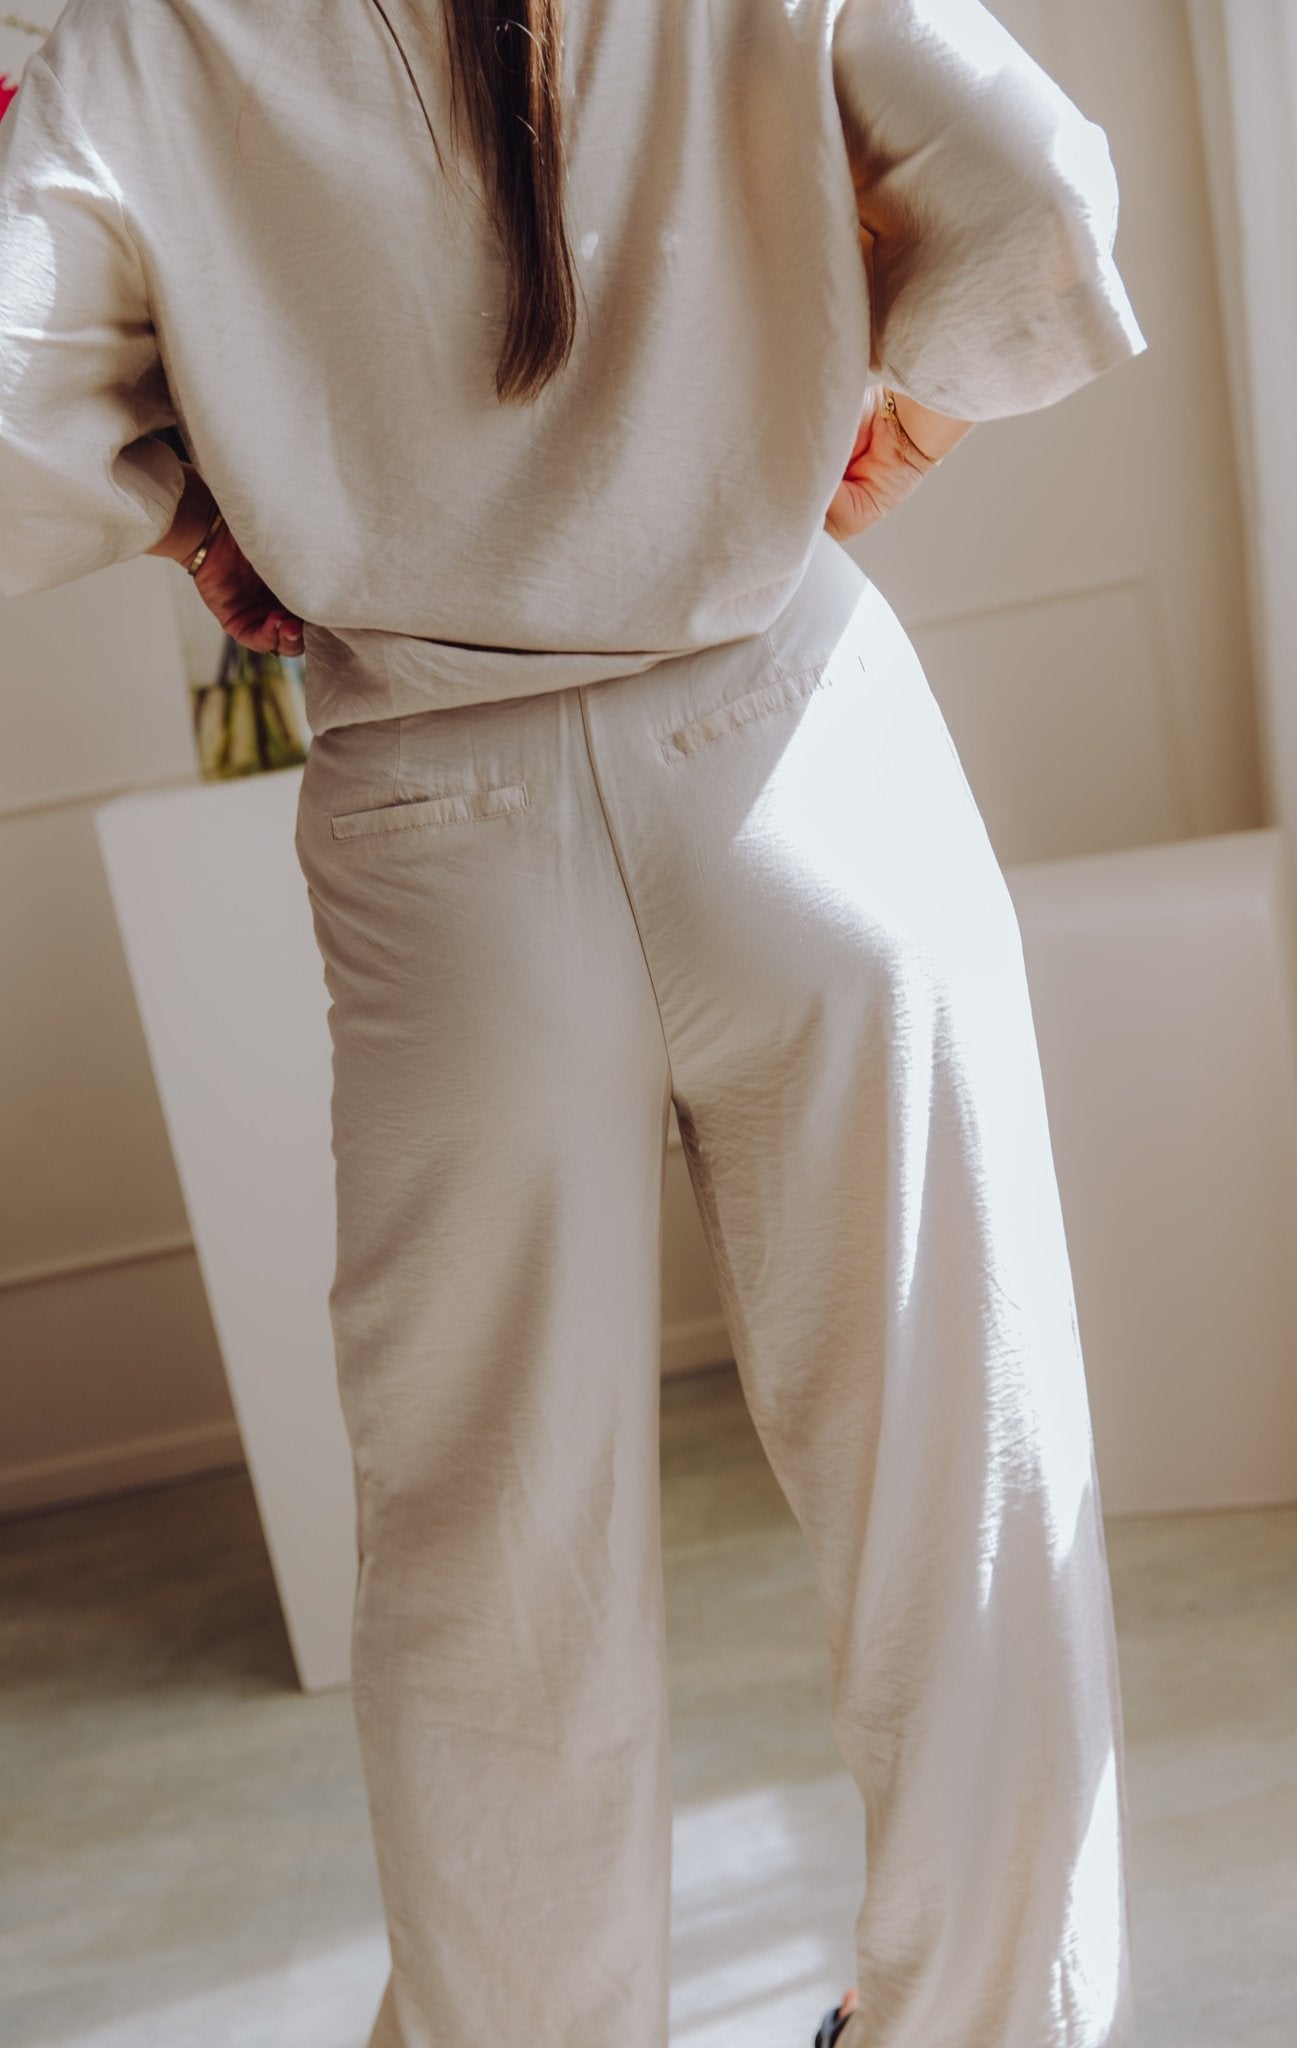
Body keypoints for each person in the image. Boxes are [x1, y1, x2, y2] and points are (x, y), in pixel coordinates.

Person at [0, 2, 1149, 2044]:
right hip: (798, 744)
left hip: (442, 840)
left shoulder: (141, 34)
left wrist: (189, 510)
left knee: (489, 1561)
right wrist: (907, 420)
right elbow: (1038, 186)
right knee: (955, 1484)